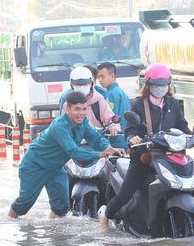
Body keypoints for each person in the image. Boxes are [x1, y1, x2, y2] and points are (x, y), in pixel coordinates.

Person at [99, 63, 194, 229]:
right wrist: (133, 138)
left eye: (164, 84)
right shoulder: (140, 104)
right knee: (125, 193)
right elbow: (130, 129)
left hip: (168, 156)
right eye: (156, 85)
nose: (160, 88)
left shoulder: (173, 104)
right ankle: (105, 218)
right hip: (144, 156)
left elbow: (182, 126)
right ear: (148, 85)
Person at [9, 90, 124, 219]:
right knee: (24, 204)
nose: (81, 113)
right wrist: (99, 154)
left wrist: (110, 148)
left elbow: (96, 139)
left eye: (84, 109)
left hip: (56, 168)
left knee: (62, 208)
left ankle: (55, 236)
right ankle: (9, 224)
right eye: (77, 109)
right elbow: (73, 151)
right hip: (35, 166)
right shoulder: (59, 126)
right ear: (67, 108)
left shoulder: (84, 122)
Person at [60, 66, 120, 136]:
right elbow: (62, 125)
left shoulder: (99, 101)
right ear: (72, 85)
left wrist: (113, 127)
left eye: (85, 84)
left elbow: (110, 118)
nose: (82, 87)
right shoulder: (67, 104)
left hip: (96, 141)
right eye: (78, 85)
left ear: (91, 84)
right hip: (75, 142)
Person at [97, 62, 130, 148]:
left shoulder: (110, 94)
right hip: (124, 139)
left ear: (112, 76)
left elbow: (110, 119)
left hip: (115, 141)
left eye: (102, 76)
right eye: (98, 77)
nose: (100, 80)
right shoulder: (121, 92)